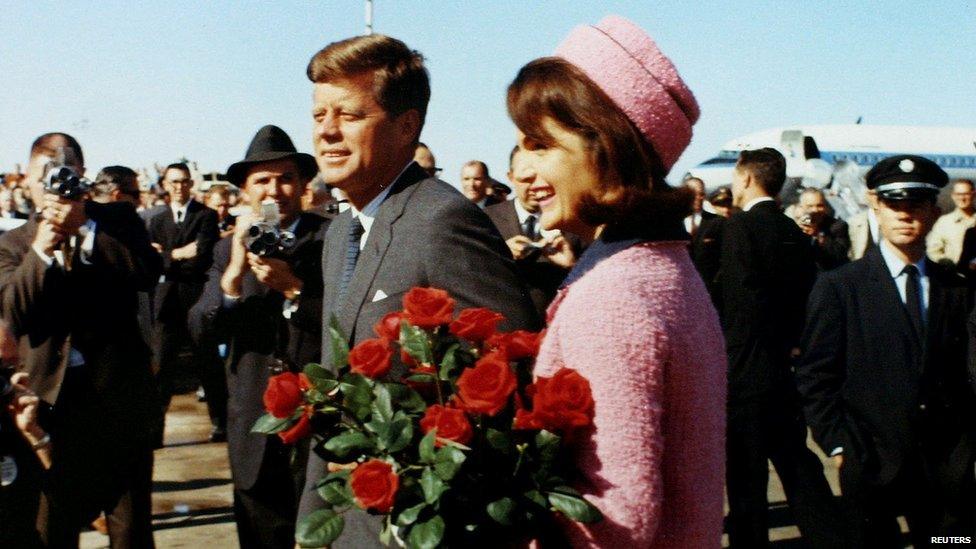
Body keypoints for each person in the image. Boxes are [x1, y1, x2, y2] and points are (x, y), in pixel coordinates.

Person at [299, 33, 539, 547]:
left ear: (407, 125)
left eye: (349, 115)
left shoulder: (442, 220)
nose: (328, 133)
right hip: (352, 524)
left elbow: (506, 375)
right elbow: (335, 394)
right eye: (319, 116)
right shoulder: (340, 231)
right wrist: (313, 523)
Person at [509, 15, 726, 547]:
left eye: (541, 145)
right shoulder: (663, 266)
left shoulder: (612, 297)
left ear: (605, 149)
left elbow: (616, 521)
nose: (521, 169)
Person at [796, 155, 976, 547]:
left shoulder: (958, 288)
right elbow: (816, 375)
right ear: (875, 204)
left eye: (916, 204)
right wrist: (839, 445)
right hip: (871, 464)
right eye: (894, 204)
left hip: (947, 472)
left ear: (934, 210)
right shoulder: (841, 287)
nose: (904, 215)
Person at [0, 132, 161, 546]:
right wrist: (42, 249)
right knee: (52, 526)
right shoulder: (11, 244)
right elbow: (12, 314)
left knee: (130, 529)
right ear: (28, 181)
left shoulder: (118, 222)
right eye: (44, 177)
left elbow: (146, 273)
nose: (54, 187)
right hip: (49, 409)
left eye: (64, 175)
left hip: (118, 399)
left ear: (82, 177)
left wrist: (85, 227)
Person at [190, 125, 326, 548]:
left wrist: (294, 290)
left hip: (317, 412)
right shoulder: (226, 248)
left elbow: (347, 323)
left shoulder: (332, 237)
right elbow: (200, 328)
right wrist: (234, 273)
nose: (274, 190)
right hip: (253, 415)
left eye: (285, 177)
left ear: (303, 184)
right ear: (245, 191)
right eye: (262, 181)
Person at [720, 148, 842, 548]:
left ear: (748, 179)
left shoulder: (741, 229)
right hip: (784, 368)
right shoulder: (794, 233)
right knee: (798, 467)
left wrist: (729, 369)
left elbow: (740, 305)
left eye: (737, 178)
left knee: (746, 483)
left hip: (746, 373)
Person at [147, 162, 220, 445]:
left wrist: (166, 256)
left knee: (207, 362)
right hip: (166, 302)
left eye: (184, 182)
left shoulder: (206, 216)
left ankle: (219, 422)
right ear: (165, 185)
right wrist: (177, 254)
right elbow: (152, 261)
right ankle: (155, 431)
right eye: (174, 182)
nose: (179, 187)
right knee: (161, 365)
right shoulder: (157, 221)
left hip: (196, 297)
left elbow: (202, 256)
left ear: (191, 184)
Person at [486, 146, 578, 318]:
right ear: (511, 178)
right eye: (527, 179)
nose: (536, 186)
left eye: (541, 176)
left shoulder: (571, 219)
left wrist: (571, 265)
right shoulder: (488, 219)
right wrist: (501, 255)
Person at [794, 187, 851, 271]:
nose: (815, 210)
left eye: (819, 205)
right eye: (810, 206)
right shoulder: (796, 226)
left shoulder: (838, 226)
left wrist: (817, 235)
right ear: (802, 207)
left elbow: (839, 255)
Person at [927, 178, 976, 265]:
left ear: (974, 194)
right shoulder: (944, 222)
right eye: (958, 194)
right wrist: (944, 262)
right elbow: (933, 250)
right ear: (953, 196)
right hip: (953, 275)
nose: (962, 198)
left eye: (966, 194)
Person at [848, 190, 880, 260]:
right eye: (873, 194)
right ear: (867, 195)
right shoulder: (854, 222)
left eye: (880, 194)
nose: (876, 198)